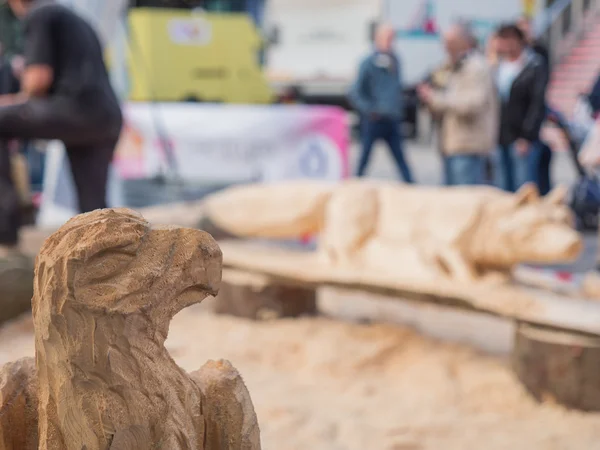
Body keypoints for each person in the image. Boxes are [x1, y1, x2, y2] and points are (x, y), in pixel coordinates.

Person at [0, 0, 122, 254]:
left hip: (74, 111)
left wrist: (10, 103)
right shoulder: (75, 19)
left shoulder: (40, 15)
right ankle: (106, 263)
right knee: (93, 209)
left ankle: (5, 225)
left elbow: (38, 80)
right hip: (105, 117)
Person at [417, 23, 498, 186]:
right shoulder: (450, 66)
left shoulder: (476, 67)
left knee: (467, 203)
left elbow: (472, 104)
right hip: (450, 146)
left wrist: (435, 98)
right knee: (453, 203)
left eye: (450, 41)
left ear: (465, 42)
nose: (445, 46)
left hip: (468, 148)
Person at [349, 23, 414, 182]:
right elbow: (355, 92)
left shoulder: (395, 61)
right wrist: (369, 110)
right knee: (364, 159)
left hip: (392, 118)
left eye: (392, 38)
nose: (389, 42)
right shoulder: (368, 63)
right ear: (377, 39)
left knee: (401, 159)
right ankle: (354, 186)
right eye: (386, 38)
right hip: (374, 119)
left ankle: (412, 187)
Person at [494, 24, 547, 192]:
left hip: (522, 137)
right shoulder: (498, 66)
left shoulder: (534, 64)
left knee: (523, 187)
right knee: (503, 186)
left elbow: (537, 103)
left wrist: (527, 136)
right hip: (502, 134)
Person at [517, 16, 554, 195]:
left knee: (529, 179)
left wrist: (528, 133)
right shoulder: (509, 60)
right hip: (511, 132)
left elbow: (537, 99)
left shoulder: (537, 58)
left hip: (529, 131)